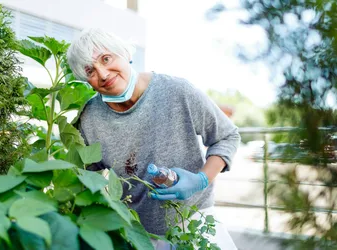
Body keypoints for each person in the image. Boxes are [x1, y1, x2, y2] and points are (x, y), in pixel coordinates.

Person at [67, 28, 240, 250]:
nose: (103, 74)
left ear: (125, 54)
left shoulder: (177, 91)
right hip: (138, 233)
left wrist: (201, 180)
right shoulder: (90, 118)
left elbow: (227, 136)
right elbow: (87, 176)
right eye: (90, 70)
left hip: (196, 222)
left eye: (106, 59)